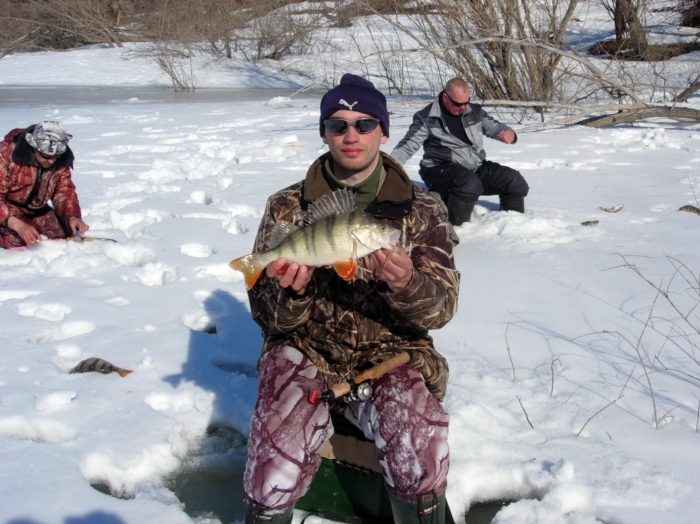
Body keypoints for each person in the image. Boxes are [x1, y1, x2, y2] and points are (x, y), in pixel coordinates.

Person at [242, 74, 460, 524]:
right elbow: (269, 319)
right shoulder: (287, 207)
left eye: (363, 123)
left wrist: (408, 284)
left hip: (392, 355)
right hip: (304, 351)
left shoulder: (423, 210)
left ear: (384, 129)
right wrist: (291, 293)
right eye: (338, 125)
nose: (351, 135)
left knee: (420, 450)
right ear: (324, 132)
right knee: (269, 471)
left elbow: (442, 310)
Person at [390, 78, 529, 226]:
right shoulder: (427, 118)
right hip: (440, 171)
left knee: (514, 181)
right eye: (458, 103)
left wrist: (508, 133)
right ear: (445, 97)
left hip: (475, 167)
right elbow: (406, 147)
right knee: (469, 183)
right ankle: (454, 228)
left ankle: (513, 226)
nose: (463, 107)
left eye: (466, 102)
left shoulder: (474, 111)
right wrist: (388, 169)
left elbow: (494, 127)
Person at [0, 121, 89, 249]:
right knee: (17, 239)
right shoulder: (6, 155)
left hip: (36, 209)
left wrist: (72, 216)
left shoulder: (60, 160)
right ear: (33, 146)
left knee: (64, 233)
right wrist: (18, 225)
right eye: (45, 156)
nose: (51, 161)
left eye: (55, 157)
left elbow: (64, 191)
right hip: (7, 208)